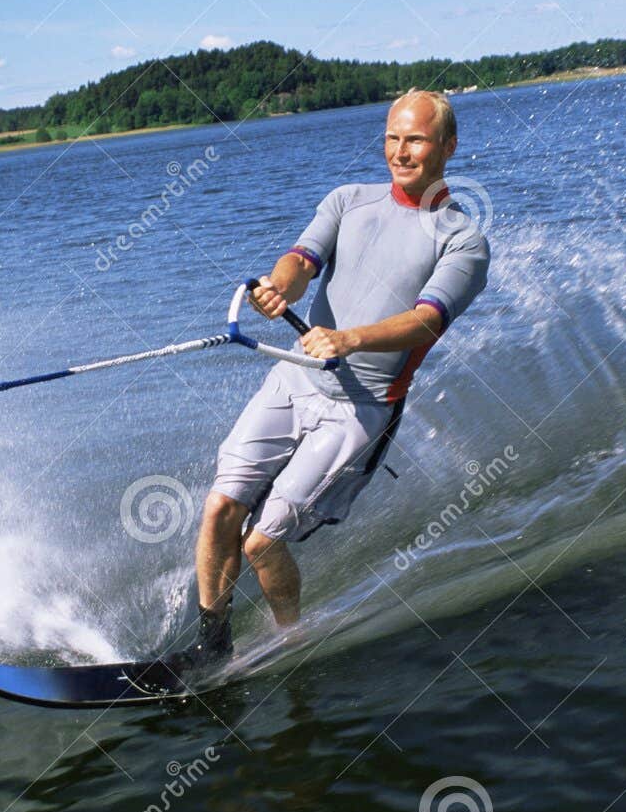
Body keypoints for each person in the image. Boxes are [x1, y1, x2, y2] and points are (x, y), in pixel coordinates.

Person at [189, 88, 490, 662]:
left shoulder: (463, 240)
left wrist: (348, 338)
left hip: (362, 408)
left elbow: (426, 322)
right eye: (393, 138)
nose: (401, 152)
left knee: (262, 540)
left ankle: (289, 645)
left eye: (417, 140)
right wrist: (281, 288)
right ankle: (212, 646)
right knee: (219, 508)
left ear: (448, 147)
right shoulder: (349, 199)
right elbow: (302, 260)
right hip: (294, 379)